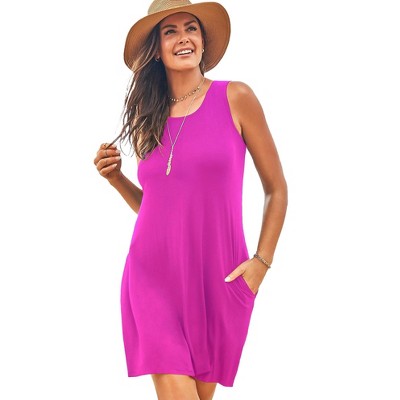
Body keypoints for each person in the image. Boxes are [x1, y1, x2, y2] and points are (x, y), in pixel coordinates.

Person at [93, 0, 288, 398]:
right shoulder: (147, 117)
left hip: (218, 278)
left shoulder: (236, 97)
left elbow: (276, 188)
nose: (183, 38)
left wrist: (261, 264)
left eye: (191, 28)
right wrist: (116, 179)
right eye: (170, 31)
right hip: (152, 276)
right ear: (157, 48)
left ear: (202, 40)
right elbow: (160, 208)